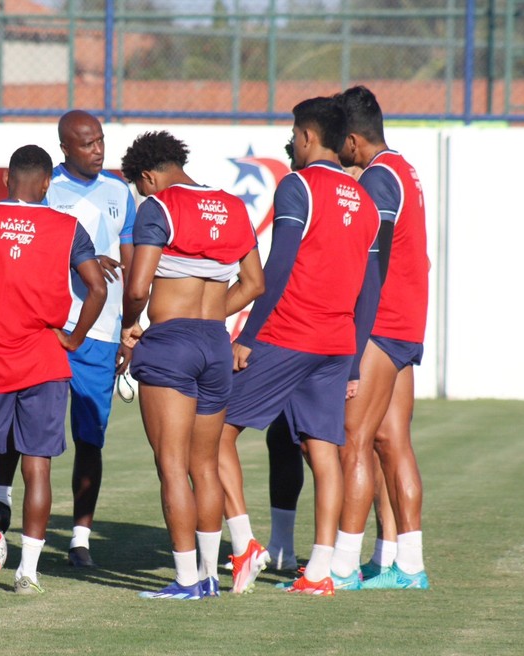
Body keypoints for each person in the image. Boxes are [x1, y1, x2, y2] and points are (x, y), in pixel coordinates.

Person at [217, 96, 380, 596]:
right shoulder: (366, 201)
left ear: (308, 136)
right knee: (323, 450)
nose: (290, 142)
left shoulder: (297, 186)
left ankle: (245, 544)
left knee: (214, 433)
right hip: (335, 344)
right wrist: (352, 360)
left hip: (287, 336)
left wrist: (247, 336)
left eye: (293, 133)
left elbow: (278, 266)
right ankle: (318, 573)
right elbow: (371, 288)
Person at [0, 144, 105, 594]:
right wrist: (73, 337)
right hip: (43, 358)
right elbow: (97, 289)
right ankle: (28, 573)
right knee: (38, 468)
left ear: (5, 179)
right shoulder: (68, 227)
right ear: (47, 183)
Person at [0, 110, 135, 569]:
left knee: (90, 438)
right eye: (87, 143)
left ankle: (80, 538)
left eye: (101, 140)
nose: (98, 149)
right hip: (45, 326)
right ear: (64, 148)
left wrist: (131, 327)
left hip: (101, 330)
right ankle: (3, 501)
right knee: (19, 423)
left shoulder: (120, 192)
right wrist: (82, 258)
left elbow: (129, 263)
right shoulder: (45, 188)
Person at [119, 131, 263, 599]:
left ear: (147, 176)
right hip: (215, 345)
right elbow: (254, 283)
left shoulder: (158, 208)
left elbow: (138, 287)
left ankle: (186, 579)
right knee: (205, 465)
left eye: (141, 187)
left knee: (171, 464)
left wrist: (130, 325)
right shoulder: (234, 207)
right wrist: (210, 318)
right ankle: (210, 577)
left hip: (170, 345)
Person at [330, 85, 430, 590]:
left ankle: (341, 567)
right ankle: (405, 564)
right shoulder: (403, 168)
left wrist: (354, 320)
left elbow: (374, 256)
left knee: (354, 441)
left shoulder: (378, 178)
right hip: (407, 320)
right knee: (392, 442)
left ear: (351, 140)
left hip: (382, 323)